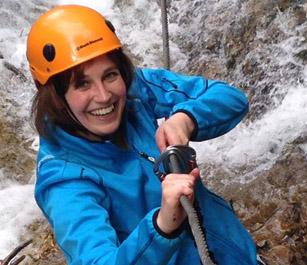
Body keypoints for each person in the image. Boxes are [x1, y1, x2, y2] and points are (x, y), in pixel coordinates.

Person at [27, 4, 257, 265]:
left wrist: (186, 119)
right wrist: (162, 227)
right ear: (54, 94)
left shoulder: (136, 91)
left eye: (110, 74)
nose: (104, 96)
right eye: (82, 84)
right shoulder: (64, 180)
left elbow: (231, 98)